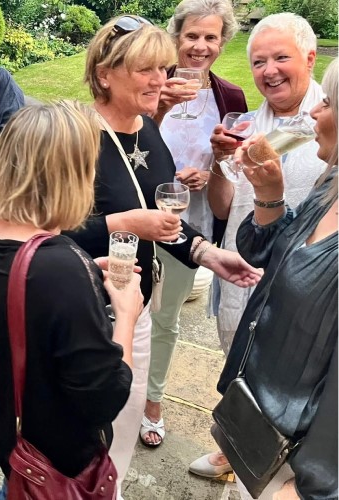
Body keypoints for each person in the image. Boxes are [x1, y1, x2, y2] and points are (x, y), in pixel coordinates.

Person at [68, 15, 261, 489]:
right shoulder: (71, 135)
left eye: (163, 67)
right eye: (146, 69)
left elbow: (161, 217)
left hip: (133, 304)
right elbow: (42, 232)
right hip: (81, 311)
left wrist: (207, 253)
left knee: (123, 427)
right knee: (78, 441)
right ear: (104, 74)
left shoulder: (148, 129)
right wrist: (124, 224)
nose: (161, 80)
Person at [191, 12, 330, 480]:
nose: (268, 71)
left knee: (293, 386)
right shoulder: (247, 125)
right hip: (241, 270)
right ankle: (235, 447)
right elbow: (223, 207)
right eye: (257, 62)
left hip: (303, 289)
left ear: (309, 58)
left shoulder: (327, 128)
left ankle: (286, 469)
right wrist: (218, 162)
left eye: (280, 58)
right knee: (237, 359)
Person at [0, 101, 141, 499]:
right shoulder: (60, 268)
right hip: (57, 470)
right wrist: (126, 315)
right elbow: (103, 397)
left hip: (14, 451)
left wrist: (84, 273)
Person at [143, 0, 249, 449]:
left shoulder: (232, 98)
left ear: (223, 42)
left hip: (190, 224)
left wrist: (212, 171)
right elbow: (125, 143)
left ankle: (152, 401)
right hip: (137, 212)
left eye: (210, 37)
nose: (200, 46)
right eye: (191, 35)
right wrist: (159, 108)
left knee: (165, 317)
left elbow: (232, 166)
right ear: (176, 37)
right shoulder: (153, 83)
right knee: (121, 308)